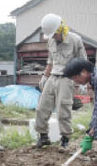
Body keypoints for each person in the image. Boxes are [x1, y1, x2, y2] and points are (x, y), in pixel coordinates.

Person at [35, 13, 87, 149]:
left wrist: (84, 82)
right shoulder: (51, 41)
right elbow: (50, 62)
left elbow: (83, 63)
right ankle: (43, 136)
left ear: (61, 29)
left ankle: (65, 139)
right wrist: (45, 77)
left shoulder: (75, 40)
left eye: (55, 34)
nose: (53, 37)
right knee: (41, 108)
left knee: (63, 110)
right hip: (53, 76)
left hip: (67, 78)